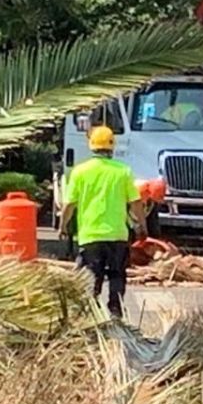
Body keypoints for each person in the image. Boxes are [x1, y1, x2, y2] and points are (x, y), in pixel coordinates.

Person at [61, 126, 146, 318]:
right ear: (112, 146)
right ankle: (115, 310)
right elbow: (136, 203)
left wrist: (63, 226)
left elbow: (69, 205)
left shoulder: (80, 172)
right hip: (117, 235)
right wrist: (142, 227)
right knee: (117, 275)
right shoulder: (123, 171)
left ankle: (90, 315)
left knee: (91, 278)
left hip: (90, 236)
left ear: (91, 146)